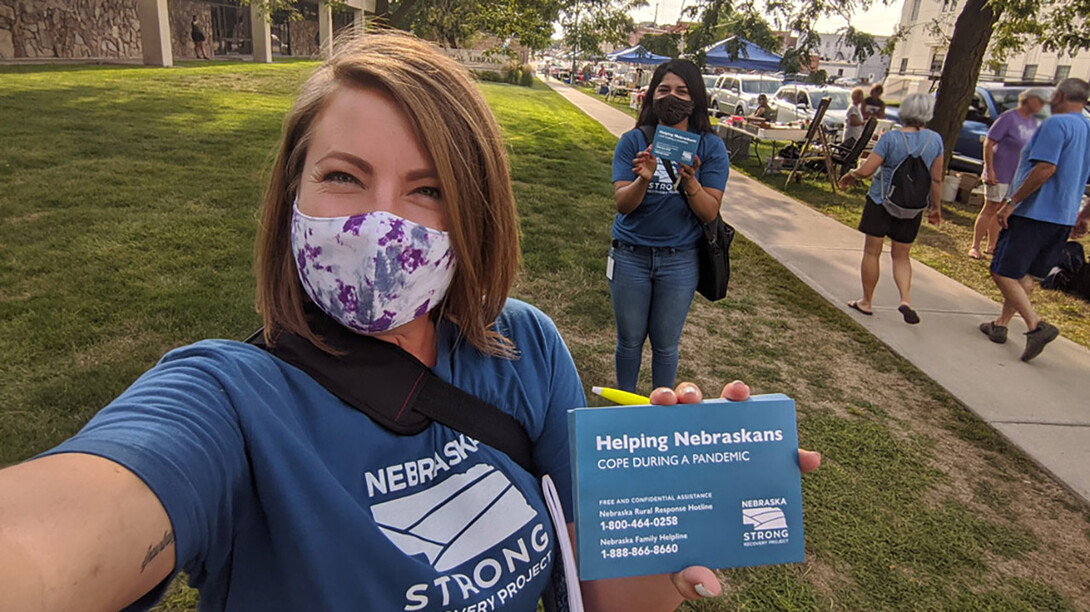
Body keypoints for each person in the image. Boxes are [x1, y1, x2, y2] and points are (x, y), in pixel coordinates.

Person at [0, 32, 821, 611]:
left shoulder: (522, 346)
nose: (381, 223)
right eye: (344, 177)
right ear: (293, 195)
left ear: (473, 214)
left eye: (426, 190)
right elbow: (53, 540)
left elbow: (598, 596)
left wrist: (672, 527)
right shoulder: (229, 402)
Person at [609, 59, 730, 392]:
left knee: (665, 345)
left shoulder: (711, 147)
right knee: (629, 341)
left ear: (696, 99)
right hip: (630, 256)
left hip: (680, 259)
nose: (671, 97)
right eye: (663, 90)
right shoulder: (633, 141)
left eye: (681, 90)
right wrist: (643, 179)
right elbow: (623, 205)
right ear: (652, 96)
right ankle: (624, 405)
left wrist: (691, 182)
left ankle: (661, 408)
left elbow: (709, 213)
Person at [981, 78, 1090, 362]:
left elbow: (1045, 169)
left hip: (1035, 213)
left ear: (1061, 96)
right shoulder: (1087, 128)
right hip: (1063, 216)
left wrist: (1011, 202)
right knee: (1024, 275)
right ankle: (1001, 325)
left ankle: (1036, 326)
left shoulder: (1056, 125)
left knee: (1001, 270)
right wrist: (1085, 215)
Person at [838, 93, 944, 324]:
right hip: (912, 207)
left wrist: (851, 174)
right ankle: (905, 299)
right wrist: (935, 207)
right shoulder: (935, 141)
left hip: (881, 202)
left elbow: (867, 170)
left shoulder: (890, 138)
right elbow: (936, 180)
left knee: (872, 252)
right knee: (902, 256)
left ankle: (866, 301)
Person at [968, 88, 1049, 259]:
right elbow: (989, 143)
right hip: (999, 171)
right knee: (990, 207)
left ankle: (992, 245)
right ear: (1029, 100)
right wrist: (990, 170)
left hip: (1016, 174)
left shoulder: (1033, 122)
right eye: (1039, 101)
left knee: (1003, 208)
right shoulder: (1008, 118)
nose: (1042, 105)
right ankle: (975, 245)